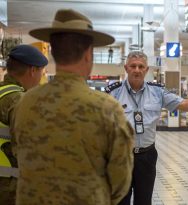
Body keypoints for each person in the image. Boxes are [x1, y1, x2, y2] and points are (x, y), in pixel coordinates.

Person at [11, 9, 134, 205]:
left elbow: (18, 152)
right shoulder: (107, 109)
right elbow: (121, 181)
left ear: (52, 52)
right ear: (88, 54)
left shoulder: (25, 102)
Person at [106, 51, 188, 205]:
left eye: (141, 66)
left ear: (147, 70)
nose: (137, 70)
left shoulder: (157, 91)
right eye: (133, 66)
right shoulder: (113, 92)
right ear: (126, 68)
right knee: (120, 201)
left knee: (144, 201)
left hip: (146, 156)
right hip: (121, 157)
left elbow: (182, 104)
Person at [0, 44, 48, 205]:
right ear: (32, 70)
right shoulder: (18, 100)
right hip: (10, 188)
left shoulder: (2, 92)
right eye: (41, 72)